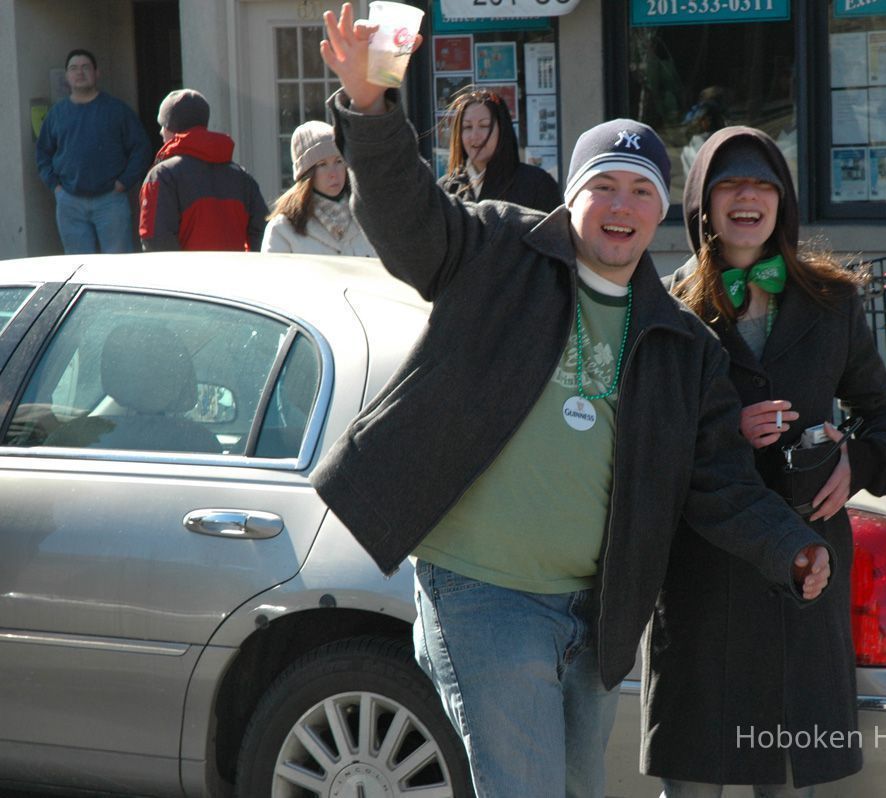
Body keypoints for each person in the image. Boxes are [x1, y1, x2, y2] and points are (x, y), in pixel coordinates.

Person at [313, 7, 833, 797]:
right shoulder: (500, 250)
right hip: (482, 590)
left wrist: (791, 546)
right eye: (605, 188)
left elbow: (719, 481)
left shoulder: (683, 345)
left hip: (595, 615)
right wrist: (369, 105)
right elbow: (406, 217)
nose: (622, 207)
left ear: (661, 211)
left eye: (641, 191)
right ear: (572, 197)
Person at [643, 127, 886, 797]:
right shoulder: (666, 308)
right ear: (703, 204)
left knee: (791, 783)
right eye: (730, 184)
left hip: (804, 581)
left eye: (762, 185)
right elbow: (642, 441)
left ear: (782, 202)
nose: (748, 198)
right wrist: (724, 430)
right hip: (703, 585)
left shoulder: (833, 303)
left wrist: (858, 461)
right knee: (692, 781)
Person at [35, 49, 152, 254]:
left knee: (118, 265)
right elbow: (42, 154)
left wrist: (124, 182)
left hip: (111, 201)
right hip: (69, 202)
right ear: (67, 76)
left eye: (85, 67)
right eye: (74, 68)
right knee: (79, 266)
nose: (80, 73)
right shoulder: (56, 114)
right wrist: (56, 186)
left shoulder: (116, 110)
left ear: (97, 73)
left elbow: (141, 148)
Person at [138, 89, 268, 251]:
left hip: (187, 268)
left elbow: (156, 240)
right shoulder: (242, 177)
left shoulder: (162, 175)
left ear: (172, 127)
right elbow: (262, 235)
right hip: (234, 267)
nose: (161, 132)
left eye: (163, 126)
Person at [437, 87, 562, 213]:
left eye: (484, 125)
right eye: (467, 127)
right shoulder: (445, 189)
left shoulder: (536, 184)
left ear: (502, 130)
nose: (474, 136)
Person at [261, 120, 376, 256]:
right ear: (306, 174)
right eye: (322, 164)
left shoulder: (369, 218)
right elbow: (272, 269)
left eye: (338, 161)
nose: (333, 173)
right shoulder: (283, 228)